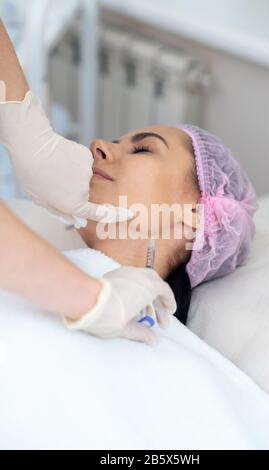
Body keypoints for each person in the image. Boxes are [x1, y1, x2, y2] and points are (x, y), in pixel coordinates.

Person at [0, 19, 177, 346]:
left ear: (189, 221)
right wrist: (89, 299)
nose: (97, 144)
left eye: (142, 149)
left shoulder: (171, 348)